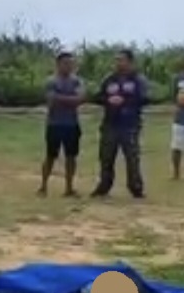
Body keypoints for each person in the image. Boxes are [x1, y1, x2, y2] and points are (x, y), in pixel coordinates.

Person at [90, 49, 149, 199]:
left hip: (130, 125)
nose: (118, 63)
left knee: (132, 158)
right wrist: (107, 100)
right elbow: (97, 96)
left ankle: (136, 188)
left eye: (121, 60)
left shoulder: (138, 80)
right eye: (116, 60)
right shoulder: (109, 79)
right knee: (106, 157)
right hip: (110, 124)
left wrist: (125, 101)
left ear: (130, 62)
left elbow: (145, 98)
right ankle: (104, 186)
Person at [38, 51, 86, 197]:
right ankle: (43, 186)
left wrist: (61, 98)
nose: (69, 66)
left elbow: (81, 99)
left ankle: (69, 188)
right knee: (50, 156)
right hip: (54, 124)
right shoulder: (51, 81)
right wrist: (71, 100)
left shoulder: (77, 81)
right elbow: (51, 101)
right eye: (66, 63)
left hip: (71, 125)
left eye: (71, 63)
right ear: (58, 64)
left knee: (71, 157)